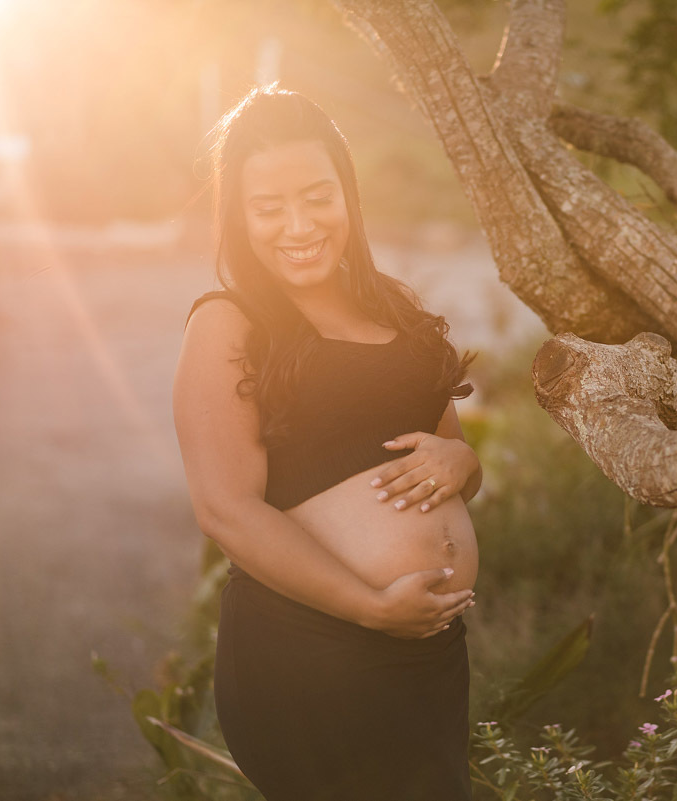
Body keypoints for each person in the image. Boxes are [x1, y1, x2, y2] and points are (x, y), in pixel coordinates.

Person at [172, 85, 482, 800]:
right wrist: (368, 605)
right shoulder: (230, 323)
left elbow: (451, 461)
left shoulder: (394, 308)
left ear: (348, 193)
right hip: (309, 651)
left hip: (427, 654)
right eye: (268, 207)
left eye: (316, 196)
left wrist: (463, 460)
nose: (297, 225)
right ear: (239, 217)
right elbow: (225, 509)